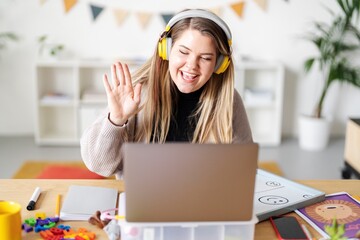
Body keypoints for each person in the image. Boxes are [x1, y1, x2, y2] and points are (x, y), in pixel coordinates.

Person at [81, 9, 253, 178]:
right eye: (184, 52)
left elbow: (244, 168)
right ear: (166, 49)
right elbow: (98, 165)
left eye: (206, 58)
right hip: (142, 200)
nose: (192, 66)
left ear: (219, 64)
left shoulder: (228, 100)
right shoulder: (135, 92)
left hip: (201, 200)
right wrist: (116, 121)